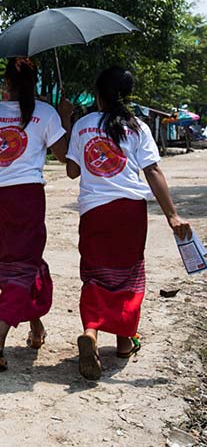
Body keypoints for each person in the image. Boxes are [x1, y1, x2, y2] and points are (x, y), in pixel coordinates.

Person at [65, 67, 191, 380]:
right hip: (130, 212)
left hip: (94, 212)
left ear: (97, 94)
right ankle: (124, 342)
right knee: (129, 275)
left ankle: (91, 333)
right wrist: (172, 215)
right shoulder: (137, 127)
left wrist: (69, 125)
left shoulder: (82, 125)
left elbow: (71, 171)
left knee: (95, 275)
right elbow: (153, 171)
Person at [0, 57, 70, 369]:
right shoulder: (46, 112)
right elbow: (64, 157)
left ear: (6, 84)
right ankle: (0, 331)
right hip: (25, 195)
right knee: (24, 265)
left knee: (20, 263)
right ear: (34, 84)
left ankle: (36, 328)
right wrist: (64, 118)